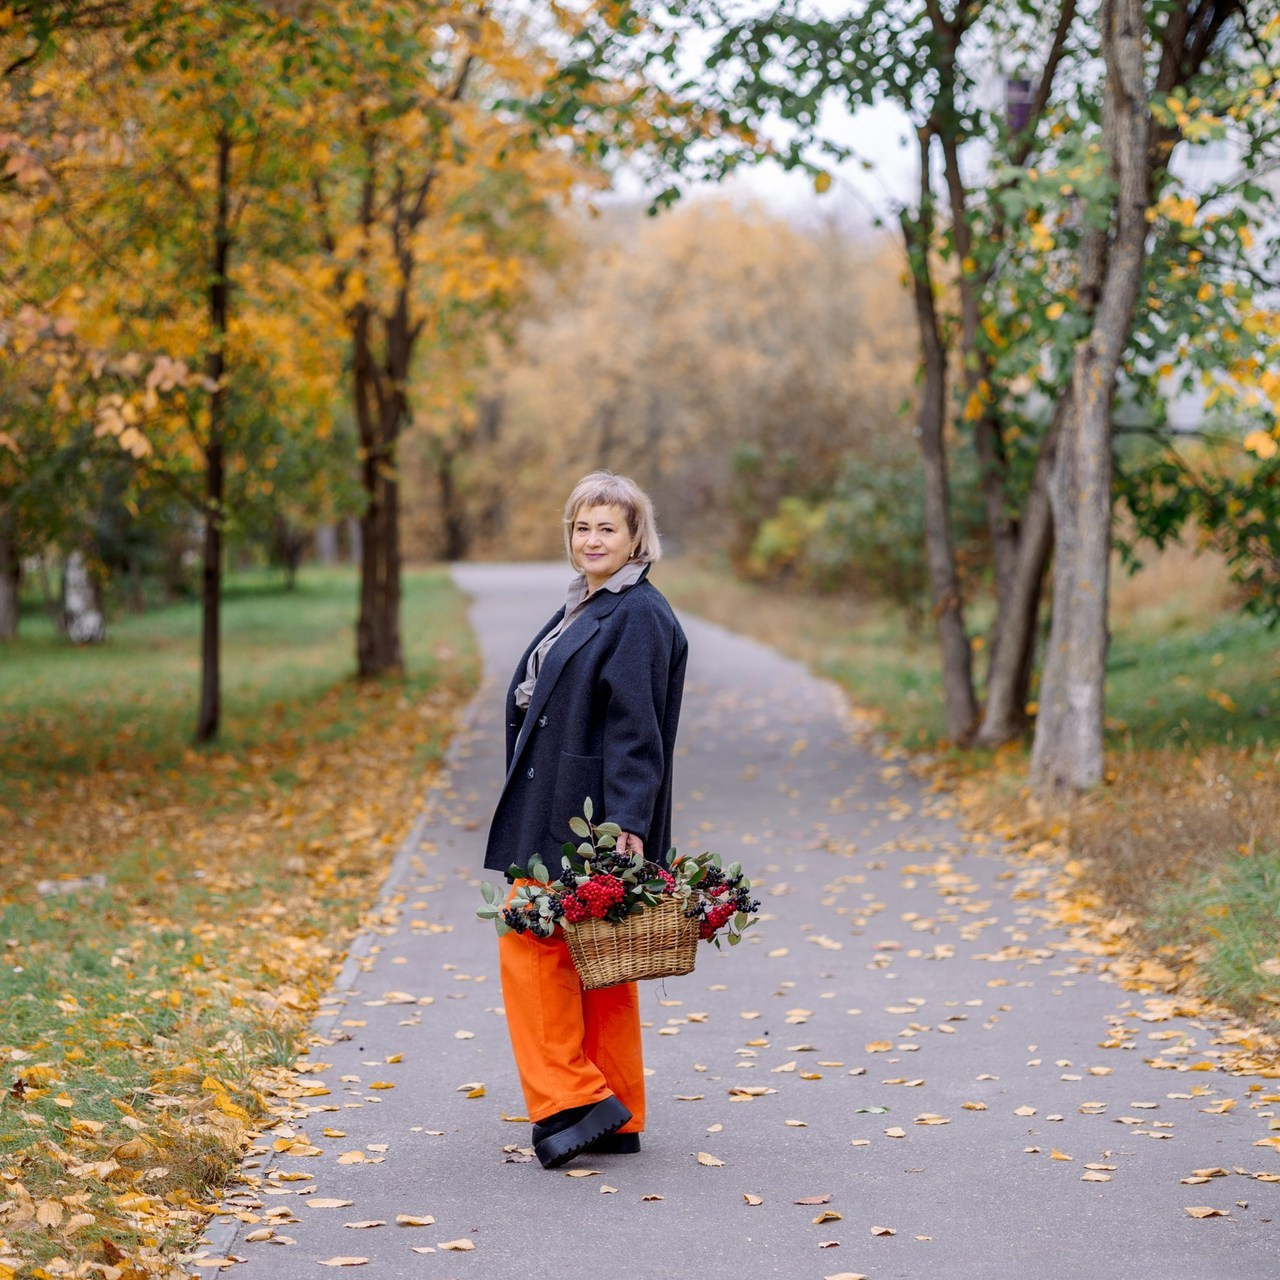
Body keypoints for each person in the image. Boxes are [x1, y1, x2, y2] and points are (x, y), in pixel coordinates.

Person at [484, 470, 688, 1169]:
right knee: (599, 958)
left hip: (585, 818)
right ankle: (619, 1109)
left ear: (636, 536)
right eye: (582, 526)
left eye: (607, 526)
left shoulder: (636, 615)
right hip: (566, 806)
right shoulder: (589, 603)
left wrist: (628, 821)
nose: (592, 538)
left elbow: (638, 729)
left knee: (531, 941)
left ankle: (572, 1098)